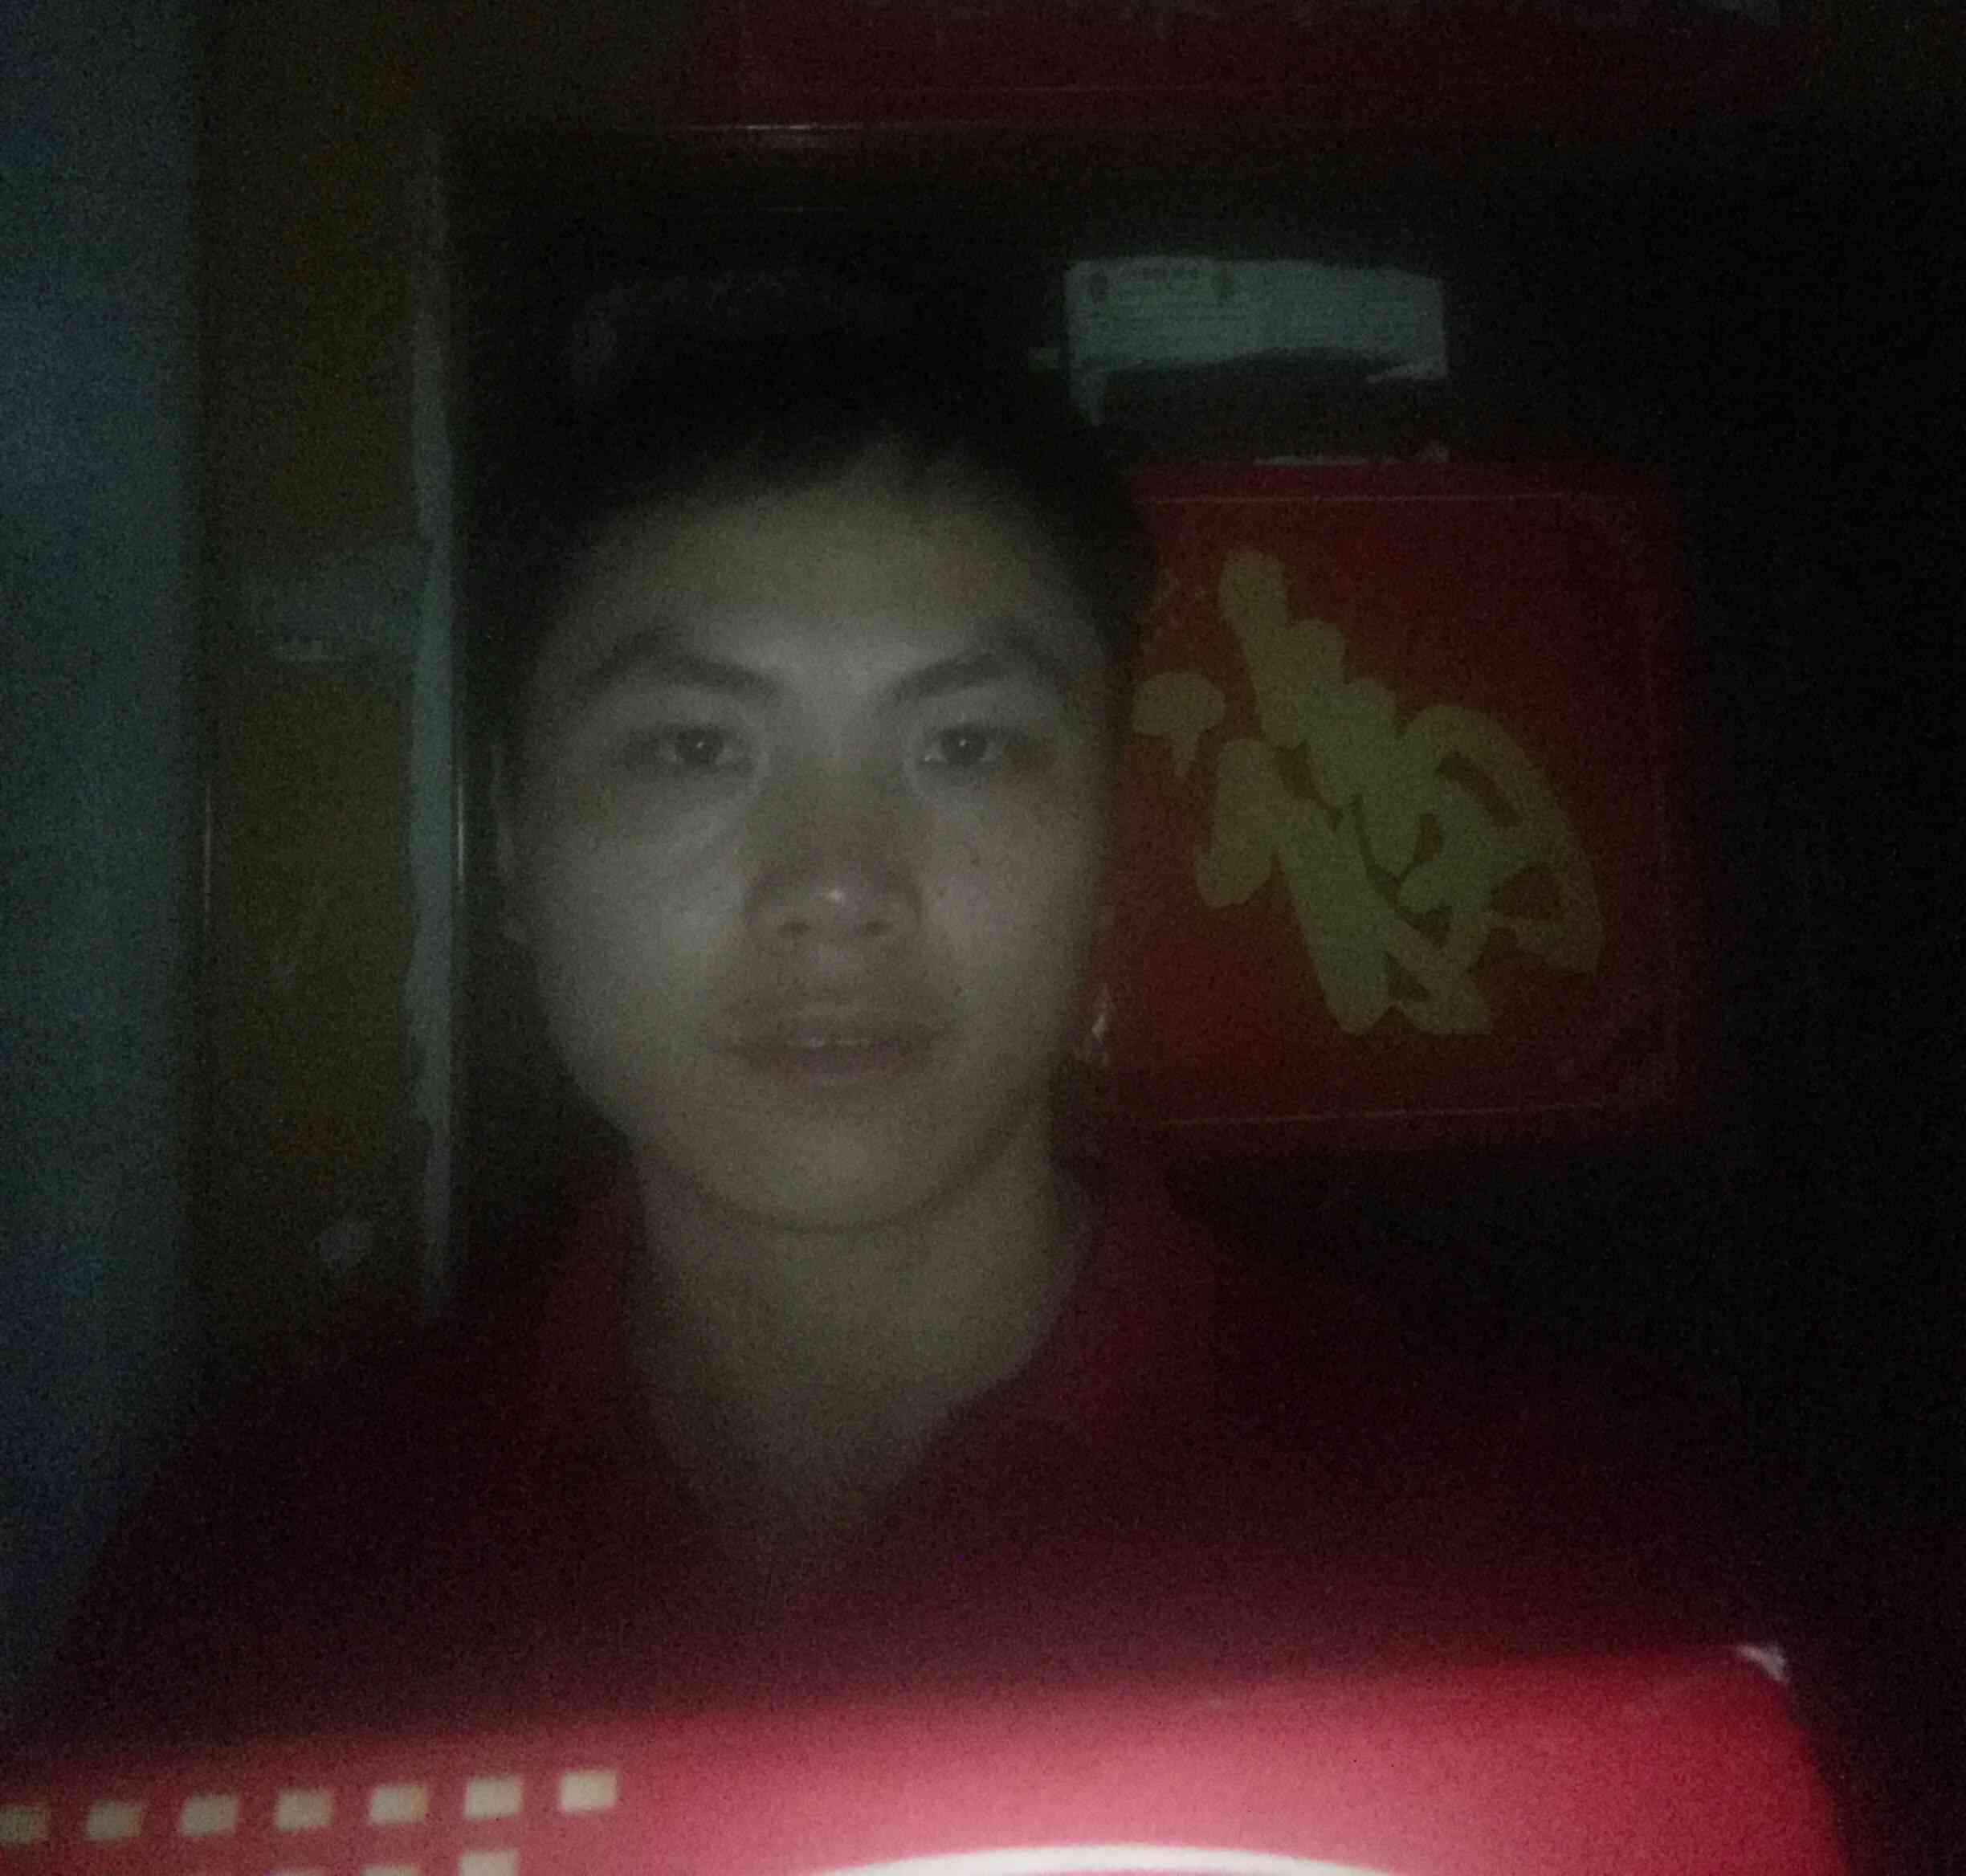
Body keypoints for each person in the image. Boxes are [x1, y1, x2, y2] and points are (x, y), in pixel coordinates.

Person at [30, 316, 1749, 1750]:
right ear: (516, 853)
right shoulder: (269, 1574)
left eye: (968, 747)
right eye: (693, 748)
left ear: (1111, 851)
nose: (837, 887)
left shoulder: (1508, 1544)